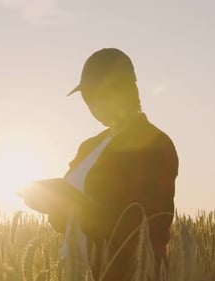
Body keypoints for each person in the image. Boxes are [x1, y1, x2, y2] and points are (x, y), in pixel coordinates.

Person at [28, 48, 179, 281]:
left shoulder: (154, 144)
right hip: (76, 271)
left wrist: (74, 202)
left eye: (93, 95)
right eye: (86, 99)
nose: (90, 106)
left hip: (126, 274)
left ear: (121, 90)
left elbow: (148, 226)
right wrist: (50, 203)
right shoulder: (88, 147)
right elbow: (68, 224)